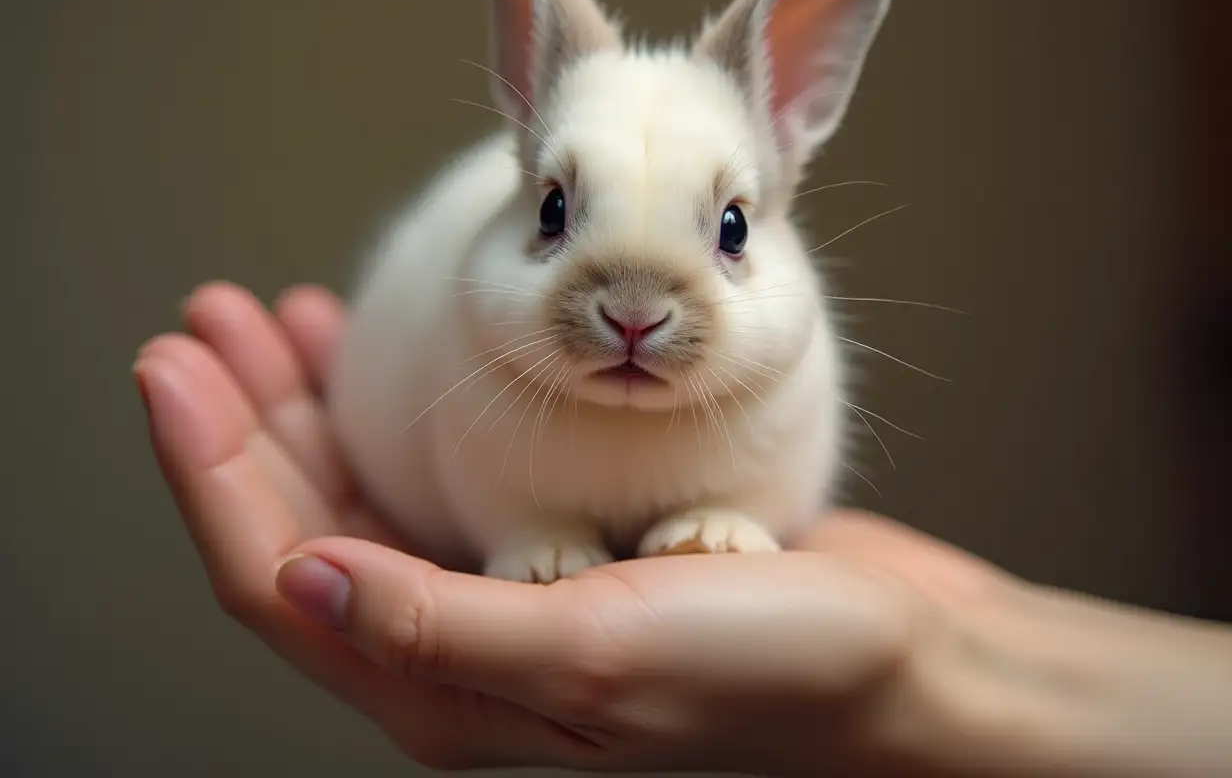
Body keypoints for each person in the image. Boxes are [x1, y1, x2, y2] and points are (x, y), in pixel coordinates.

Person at [133, 280, 1232, 777]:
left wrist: (917, 666)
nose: (632, 312)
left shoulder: (790, 380)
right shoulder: (461, 363)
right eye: (557, 218)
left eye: (729, 231)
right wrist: (519, 518)